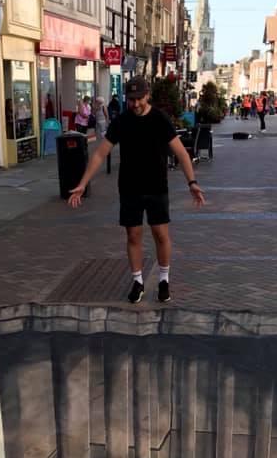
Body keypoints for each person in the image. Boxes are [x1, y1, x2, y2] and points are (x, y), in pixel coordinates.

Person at [67, 76, 205, 304]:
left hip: (156, 187)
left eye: (139, 98)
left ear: (147, 95)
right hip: (130, 188)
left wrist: (192, 182)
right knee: (133, 235)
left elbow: (181, 153)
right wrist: (83, 183)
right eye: (130, 99)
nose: (135, 104)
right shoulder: (121, 121)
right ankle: (138, 282)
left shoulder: (160, 119)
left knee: (161, 235)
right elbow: (101, 153)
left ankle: (163, 280)